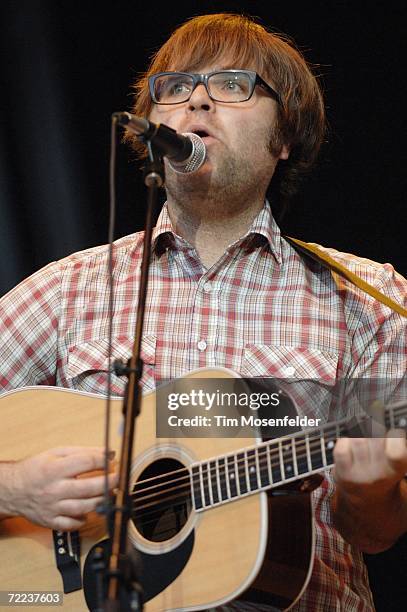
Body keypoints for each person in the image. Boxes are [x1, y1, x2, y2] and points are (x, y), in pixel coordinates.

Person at [1, 12, 406, 611]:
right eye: (176, 87)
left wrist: (366, 489)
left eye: (233, 85)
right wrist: (13, 488)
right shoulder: (67, 291)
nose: (197, 102)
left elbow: (376, 532)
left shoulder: (368, 298)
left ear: (285, 136)